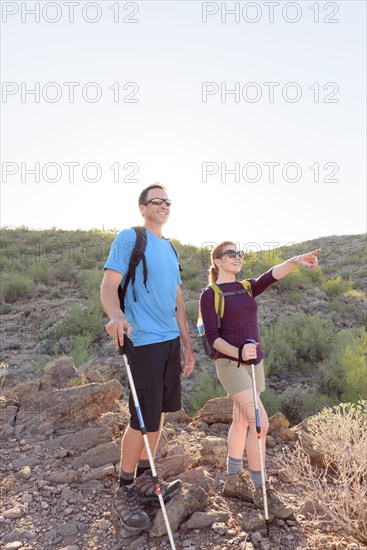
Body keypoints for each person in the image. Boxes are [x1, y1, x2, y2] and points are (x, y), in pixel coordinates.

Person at [199, 241, 320, 520]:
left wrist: (294, 260)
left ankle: (232, 479)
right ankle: (260, 487)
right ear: (217, 261)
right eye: (231, 253)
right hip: (230, 364)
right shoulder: (211, 294)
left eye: (240, 253)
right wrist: (239, 351)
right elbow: (213, 339)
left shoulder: (245, 287)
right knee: (259, 423)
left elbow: (270, 275)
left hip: (255, 364)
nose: (238, 257)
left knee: (241, 420)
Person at [100, 183, 195, 534]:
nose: (164, 205)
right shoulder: (130, 237)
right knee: (141, 417)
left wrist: (186, 343)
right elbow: (109, 285)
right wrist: (116, 316)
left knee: (158, 415)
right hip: (143, 341)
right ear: (142, 207)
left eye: (168, 201)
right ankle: (124, 489)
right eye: (157, 201)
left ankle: (144, 482)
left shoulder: (169, 249)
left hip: (170, 341)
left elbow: (177, 300)